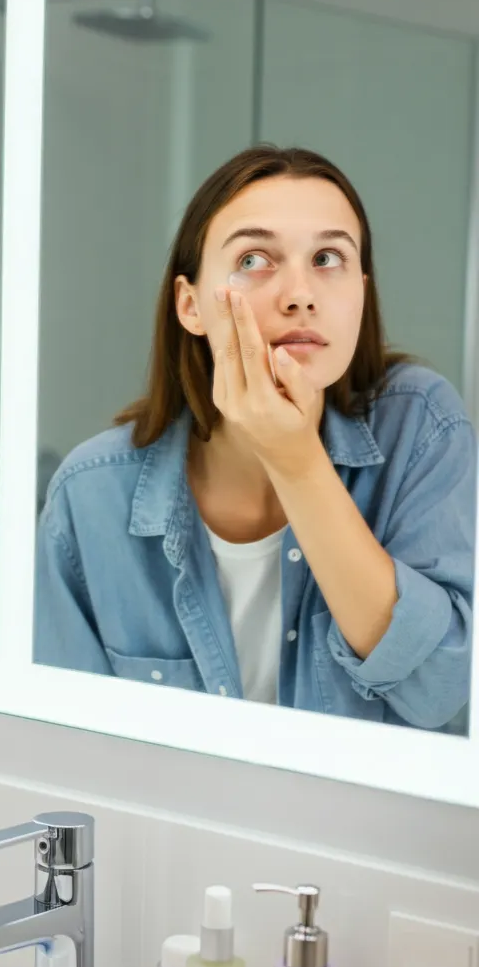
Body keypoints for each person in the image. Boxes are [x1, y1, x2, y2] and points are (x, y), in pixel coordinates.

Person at [34, 145, 475, 732]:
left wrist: (296, 461)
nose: (300, 293)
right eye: (254, 259)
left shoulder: (423, 426)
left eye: (327, 258)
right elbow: (65, 750)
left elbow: (439, 691)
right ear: (190, 305)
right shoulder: (90, 497)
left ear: (360, 295)